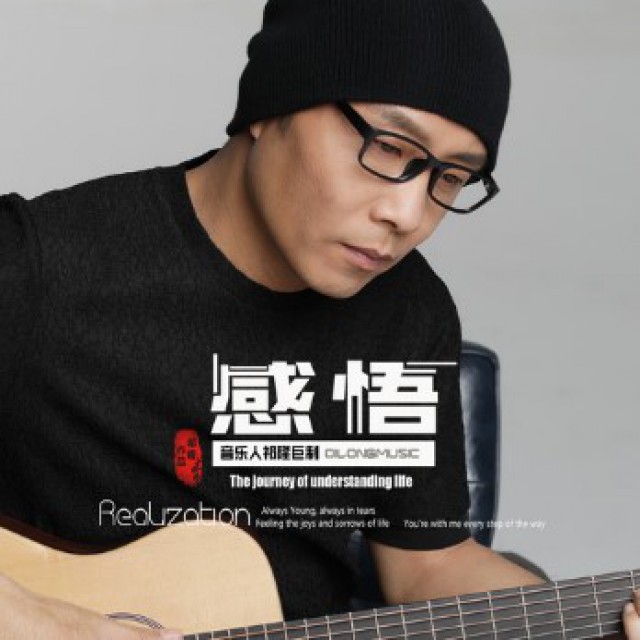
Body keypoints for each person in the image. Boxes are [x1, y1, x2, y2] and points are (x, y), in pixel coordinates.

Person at [2, 0, 640, 638]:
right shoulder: (38, 264)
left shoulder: (407, 316)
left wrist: (593, 622)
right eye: (388, 148)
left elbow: (428, 563)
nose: (408, 214)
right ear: (272, 106)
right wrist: (50, 622)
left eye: (450, 178)